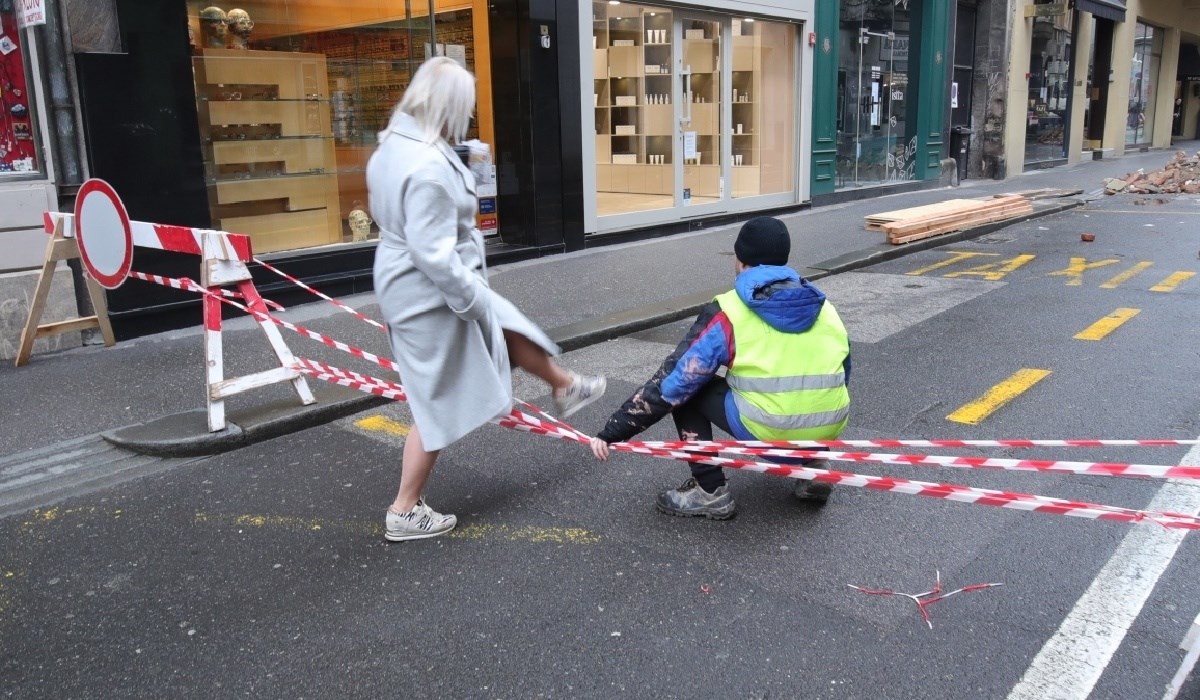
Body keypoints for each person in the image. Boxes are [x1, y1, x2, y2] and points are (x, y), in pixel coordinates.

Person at [369, 57, 606, 541]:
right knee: (433, 399)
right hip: (428, 290)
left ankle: (564, 385)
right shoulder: (429, 169)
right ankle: (404, 509)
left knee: (505, 323)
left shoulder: (396, 143)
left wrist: (462, 162)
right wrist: (470, 302)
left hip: (410, 280)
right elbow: (434, 255)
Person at [589, 217, 851, 520]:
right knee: (814, 388)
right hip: (827, 426)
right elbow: (842, 373)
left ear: (740, 261)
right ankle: (815, 469)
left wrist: (612, 432)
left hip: (770, 431)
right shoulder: (824, 307)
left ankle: (709, 490)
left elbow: (674, 383)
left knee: (690, 390)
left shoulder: (730, 311)